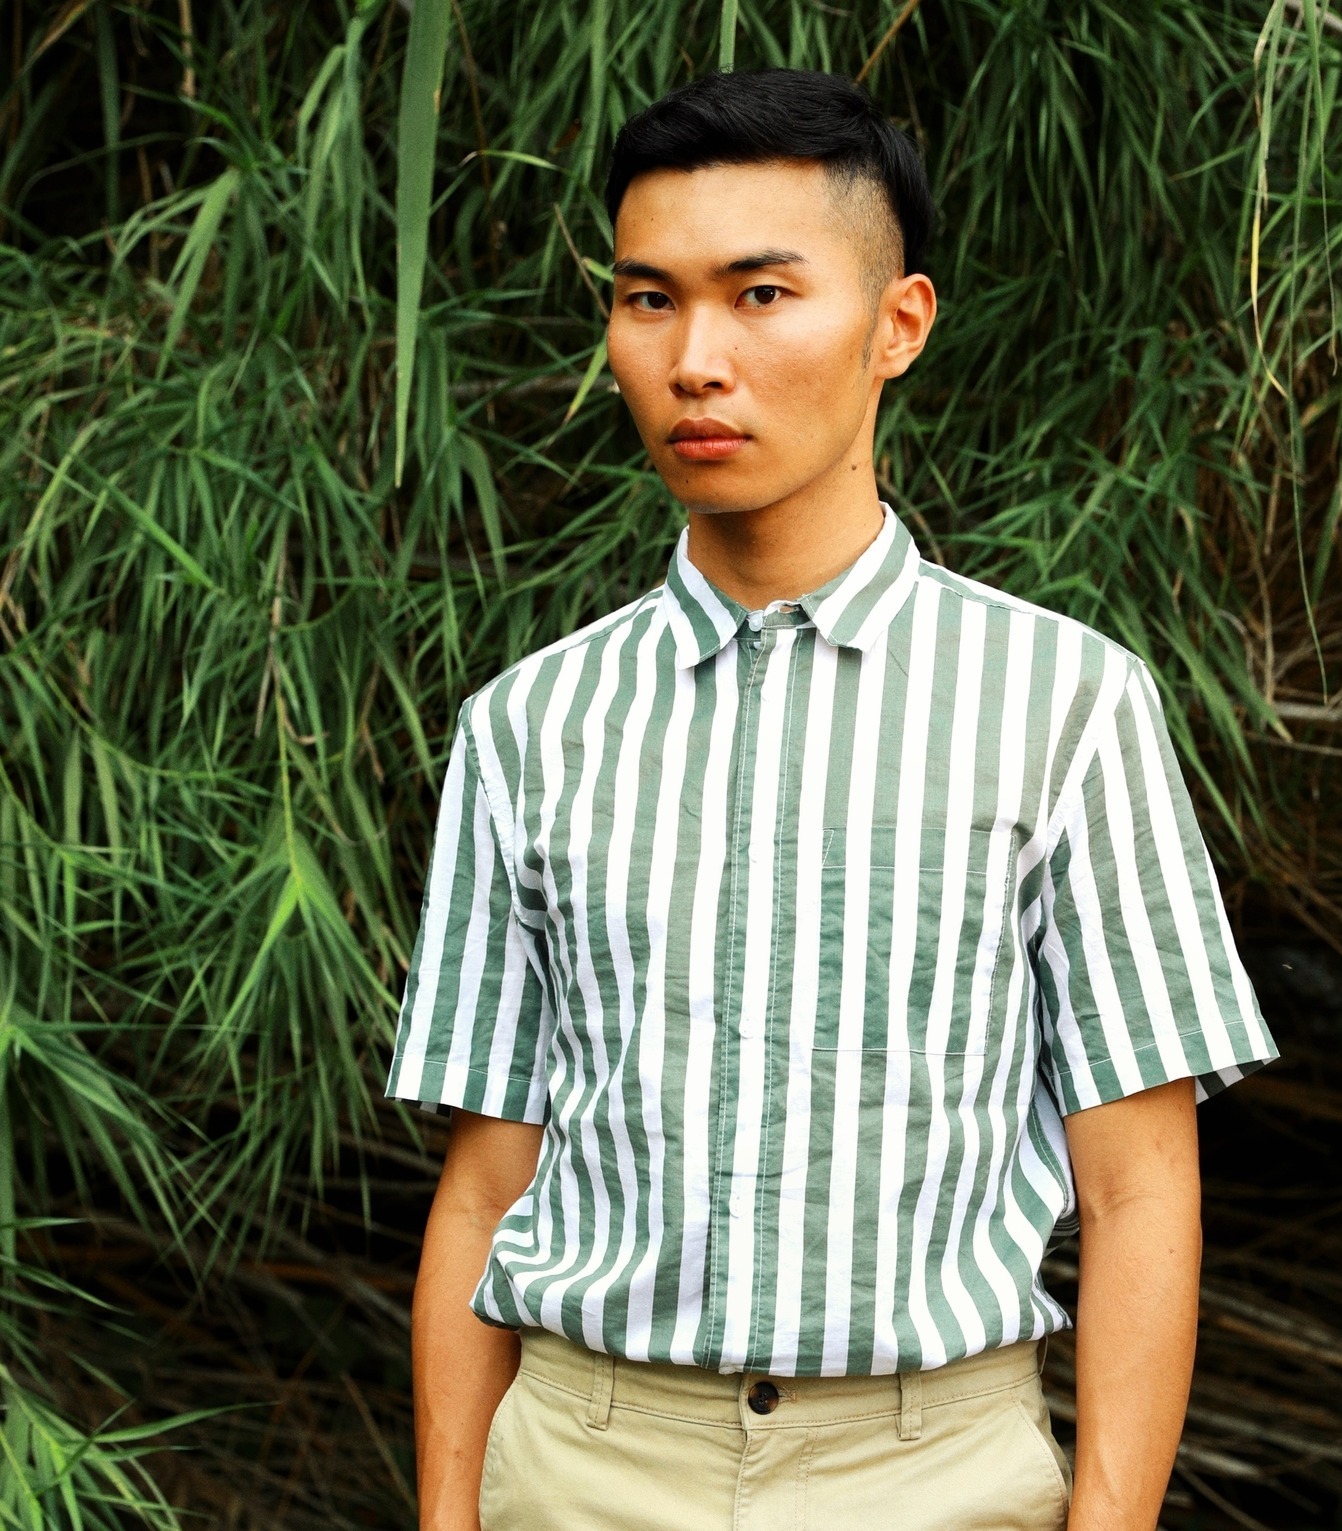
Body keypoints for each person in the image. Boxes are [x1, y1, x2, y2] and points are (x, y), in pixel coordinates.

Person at [386, 67, 1278, 1531]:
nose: (695, 360)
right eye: (649, 300)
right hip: (584, 1459)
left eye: (760, 295)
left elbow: (1139, 1192)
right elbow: (487, 1188)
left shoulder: (1066, 704)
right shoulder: (528, 725)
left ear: (897, 324)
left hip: (933, 1468)